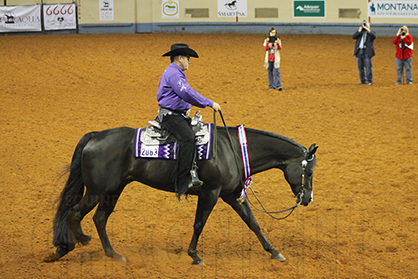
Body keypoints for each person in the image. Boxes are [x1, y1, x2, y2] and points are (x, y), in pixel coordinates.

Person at [156, 43, 221, 198]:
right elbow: (186, 92)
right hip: (171, 116)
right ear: (180, 58)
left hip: (177, 114)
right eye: (188, 58)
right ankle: (182, 180)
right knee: (188, 138)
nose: (189, 62)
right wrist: (209, 103)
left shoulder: (174, 72)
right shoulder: (174, 74)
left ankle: (192, 172)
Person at [353, 21, 377, 85]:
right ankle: (362, 80)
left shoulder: (371, 33)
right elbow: (353, 37)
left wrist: (368, 30)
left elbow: (374, 36)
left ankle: (369, 80)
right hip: (359, 51)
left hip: (367, 51)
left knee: (368, 66)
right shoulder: (360, 33)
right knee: (360, 67)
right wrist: (359, 31)